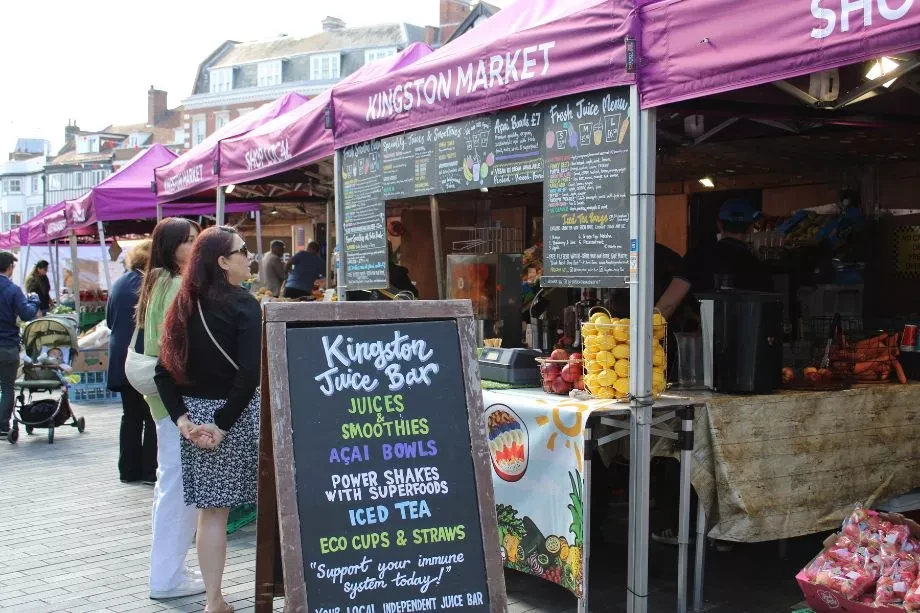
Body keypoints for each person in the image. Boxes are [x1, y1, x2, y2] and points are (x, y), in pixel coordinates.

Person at [156, 226, 261, 613]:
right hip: (236, 413)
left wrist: (186, 423)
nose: (249, 257)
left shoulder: (183, 304)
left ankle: (213, 599)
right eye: (243, 250)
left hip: (196, 417)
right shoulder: (246, 305)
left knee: (211, 513)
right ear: (223, 261)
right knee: (266, 502)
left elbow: (162, 374)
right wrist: (223, 423)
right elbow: (249, 375)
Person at [135, 218, 205, 600]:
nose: (194, 246)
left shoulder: (157, 281)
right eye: (188, 241)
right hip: (175, 401)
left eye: (196, 239)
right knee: (179, 489)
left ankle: (167, 572)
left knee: (171, 486)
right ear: (170, 245)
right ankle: (166, 578)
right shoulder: (177, 284)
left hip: (162, 401)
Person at [656, 199, 774, 320]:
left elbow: (668, 304)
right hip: (747, 336)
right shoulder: (757, 265)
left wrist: (648, 333)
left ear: (719, 224)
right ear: (750, 228)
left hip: (705, 334)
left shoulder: (697, 255)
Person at [107, 240, 157, 485]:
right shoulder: (150, 284)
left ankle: (127, 471)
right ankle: (150, 471)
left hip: (121, 357)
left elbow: (109, 320)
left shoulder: (119, 282)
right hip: (142, 356)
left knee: (130, 416)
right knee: (150, 415)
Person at [0, 251, 39, 437]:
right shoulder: (13, 290)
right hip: (7, 346)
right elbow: (27, 314)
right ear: (10, 267)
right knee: (7, 386)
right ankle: (2, 426)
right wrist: (34, 301)